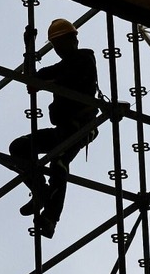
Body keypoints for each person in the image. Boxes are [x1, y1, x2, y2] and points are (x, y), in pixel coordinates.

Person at [9, 18, 99, 239]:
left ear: (73, 40)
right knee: (19, 148)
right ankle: (40, 190)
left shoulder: (85, 59)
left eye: (61, 43)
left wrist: (44, 84)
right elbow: (31, 79)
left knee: (59, 161)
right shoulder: (62, 66)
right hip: (63, 129)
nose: (58, 49)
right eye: (55, 45)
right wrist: (28, 47)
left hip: (80, 127)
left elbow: (71, 82)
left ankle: (50, 217)